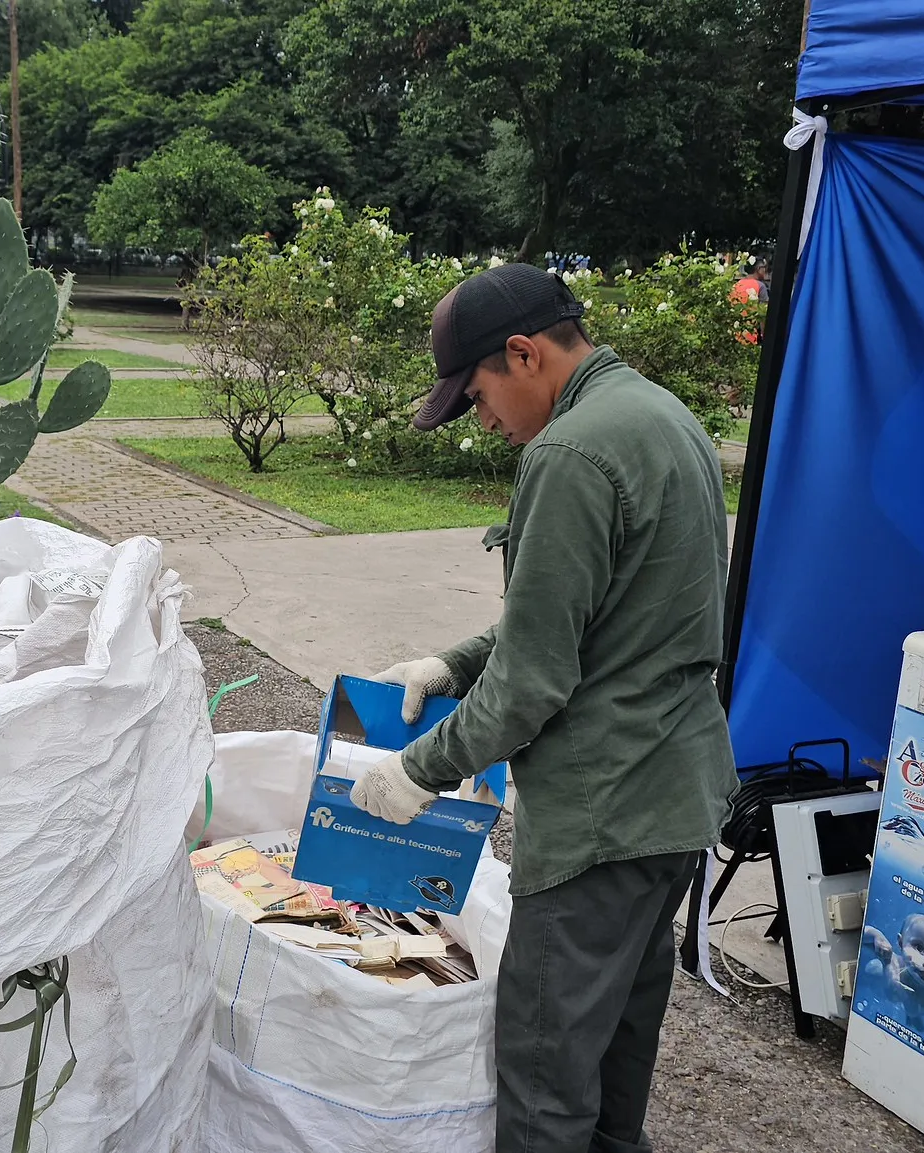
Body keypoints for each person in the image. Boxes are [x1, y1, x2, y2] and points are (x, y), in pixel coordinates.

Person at [348, 264, 736, 1153]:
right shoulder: (657, 416)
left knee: (543, 1075)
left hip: (600, 815)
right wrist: (449, 664)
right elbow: (594, 616)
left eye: (477, 394)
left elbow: (533, 682)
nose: (482, 421)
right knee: (614, 1058)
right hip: (673, 798)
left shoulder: (566, 453)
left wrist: (418, 768)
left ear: (522, 353)